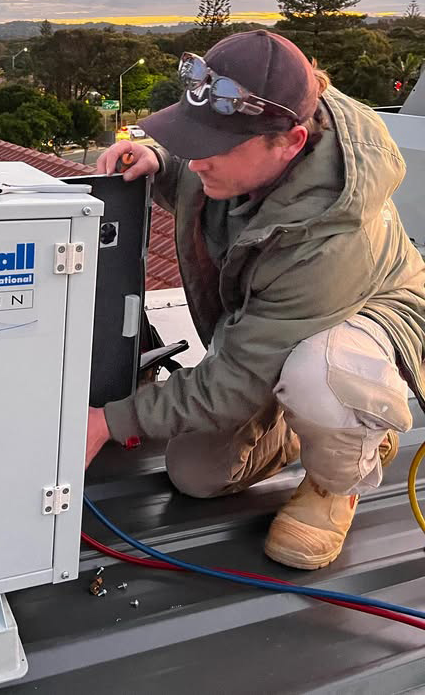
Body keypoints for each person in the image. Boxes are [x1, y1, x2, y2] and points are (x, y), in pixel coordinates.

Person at [90, 30, 425, 570]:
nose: (198, 161)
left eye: (213, 149)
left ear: (290, 143)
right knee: (195, 474)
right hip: (275, 328)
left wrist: (108, 422)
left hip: (373, 313)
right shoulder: (252, 143)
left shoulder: (328, 235)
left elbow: (235, 381)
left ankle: (342, 469)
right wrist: (160, 159)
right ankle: (308, 421)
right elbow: (202, 167)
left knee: (326, 374)